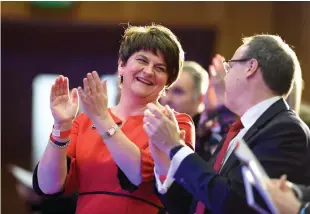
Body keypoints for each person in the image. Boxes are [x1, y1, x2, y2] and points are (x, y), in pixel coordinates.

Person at [32, 24, 195, 214]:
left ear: (168, 80)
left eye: (160, 68)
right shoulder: (85, 121)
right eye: (142, 60)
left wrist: (102, 119)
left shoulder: (173, 123)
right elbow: (48, 186)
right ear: (122, 65)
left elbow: (138, 175)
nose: (149, 71)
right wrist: (61, 127)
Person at [144, 34, 310, 214]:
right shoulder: (240, 129)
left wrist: (176, 146)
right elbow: (199, 202)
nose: (226, 75)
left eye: (230, 66)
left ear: (251, 67)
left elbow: (234, 203)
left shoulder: (285, 129)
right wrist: (164, 163)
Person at [159, 61, 208, 127]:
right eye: (165, 90)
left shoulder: (210, 134)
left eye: (178, 92)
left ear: (200, 98)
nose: (167, 98)